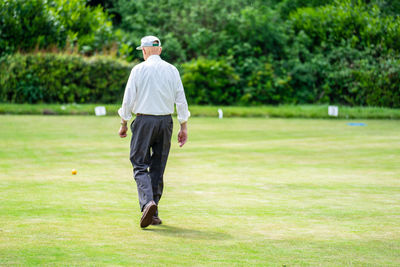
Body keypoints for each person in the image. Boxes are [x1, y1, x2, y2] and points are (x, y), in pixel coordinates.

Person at [118, 36, 190, 228]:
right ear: (159, 50)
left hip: (143, 120)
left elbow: (128, 98)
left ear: (145, 50)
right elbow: (181, 99)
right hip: (166, 121)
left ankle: (147, 203)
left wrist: (124, 122)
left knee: (139, 164)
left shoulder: (138, 70)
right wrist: (183, 126)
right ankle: (154, 213)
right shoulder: (172, 70)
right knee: (158, 167)